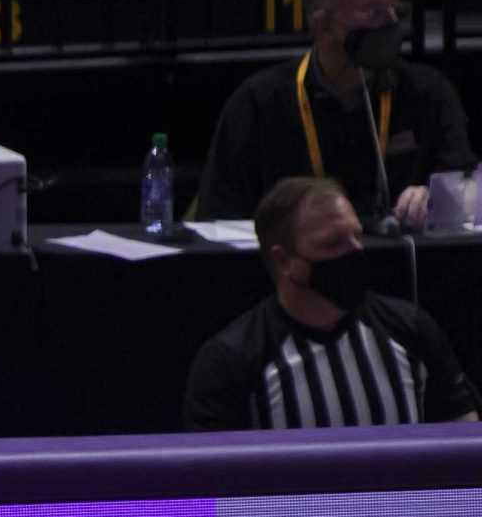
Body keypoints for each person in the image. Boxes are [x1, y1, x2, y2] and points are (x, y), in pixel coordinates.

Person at [191, 0, 475, 229]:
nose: (390, 24)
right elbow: (218, 215)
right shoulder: (258, 103)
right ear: (323, 25)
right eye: (374, 12)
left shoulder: (429, 91)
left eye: (395, 10)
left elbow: (468, 189)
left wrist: (437, 199)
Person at [184, 176, 479, 430]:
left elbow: (465, 444)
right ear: (284, 260)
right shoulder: (231, 361)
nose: (355, 252)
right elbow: (212, 482)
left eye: (357, 236)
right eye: (333, 243)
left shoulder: (410, 329)